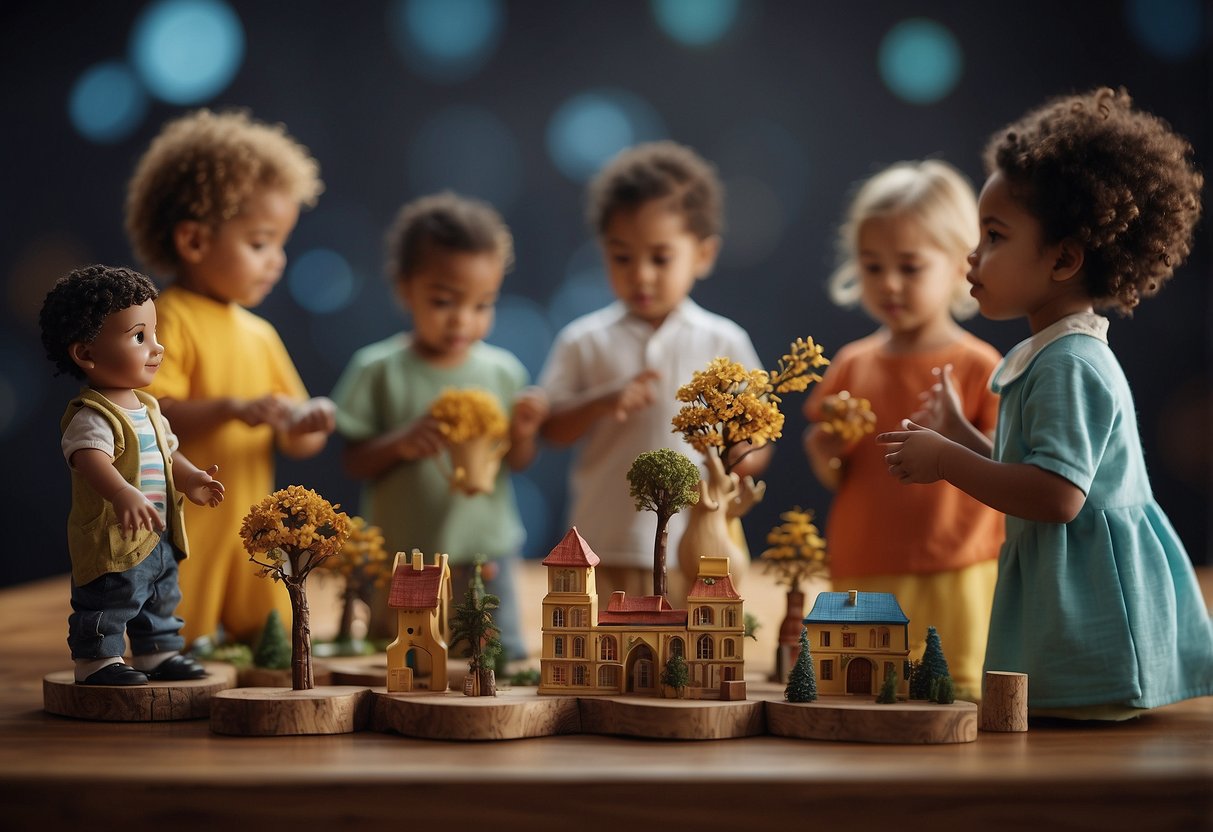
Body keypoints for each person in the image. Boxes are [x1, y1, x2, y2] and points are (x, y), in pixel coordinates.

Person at [879, 88, 1213, 718]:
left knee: (1070, 733)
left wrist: (948, 459)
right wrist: (966, 436)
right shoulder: (1052, 354)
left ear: (1063, 258)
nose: (973, 257)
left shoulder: (1069, 364)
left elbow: (1058, 498)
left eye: (995, 235)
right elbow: (1031, 473)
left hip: (1090, 595)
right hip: (1061, 577)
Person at [127, 109, 334, 645]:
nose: (278, 261)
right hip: (187, 520)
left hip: (254, 527)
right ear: (194, 241)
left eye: (281, 243)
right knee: (176, 633)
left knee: (274, 633)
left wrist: (310, 419)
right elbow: (147, 413)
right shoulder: (168, 317)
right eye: (261, 243)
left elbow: (296, 434)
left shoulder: (260, 333)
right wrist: (231, 408)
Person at [802, 160, 1004, 698]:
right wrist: (824, 448)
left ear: (961, 263)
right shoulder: (850, 364)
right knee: (863, 684)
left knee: (953, 691)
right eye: (872, 266)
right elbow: (833, 473)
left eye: (910, 267)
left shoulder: (980, 366)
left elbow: (1005, 471)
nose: (889, 283)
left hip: (955, 562)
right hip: (864, 560)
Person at [539, 141, 768, 601]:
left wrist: (733, 454)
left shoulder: (723, 341)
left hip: (695, 546)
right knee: (605, 652)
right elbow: (552, 429)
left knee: (685, 654)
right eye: (622, 257)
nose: (641, 275)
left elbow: (756, 443)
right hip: (601, 544)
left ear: (702, 254)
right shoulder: (584, 339)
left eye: (660, 258)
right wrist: (604, 401)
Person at [332, 191, 546, 658]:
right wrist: (402, 443)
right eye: (445, 301)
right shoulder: (378, 368)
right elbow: (353, 461)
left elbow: (517, 462)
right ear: (405, 287)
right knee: (405, 653)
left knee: (494, 654)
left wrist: (524, 432)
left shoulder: (503, 372)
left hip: (487, 548)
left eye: (481, 304)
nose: (462, 321)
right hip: (405, 553)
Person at [40, 265, 225, 685]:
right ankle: (97, 662)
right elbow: (91, 460)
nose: (157, 348)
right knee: (111, 597)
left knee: (160, 595)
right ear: (86, 354)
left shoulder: (150, 408)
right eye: (140, 337)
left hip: (158, 531)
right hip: (114, 536)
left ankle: (156, 653)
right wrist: (122, 492)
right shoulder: (93, 415)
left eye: (155, 334)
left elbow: (168, 453)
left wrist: (193, 478)